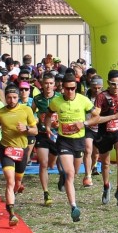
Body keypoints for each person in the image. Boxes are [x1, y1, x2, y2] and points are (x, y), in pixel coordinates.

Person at [46, 74, 95, 222]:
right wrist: (48, 127)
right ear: (63, 89)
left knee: (73, 174)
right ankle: (74, 207)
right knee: (70, 173)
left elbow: (96, 116)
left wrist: (85, 123)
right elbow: (48, 114)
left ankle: (64, 178)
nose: (70, 91)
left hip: (79, 141)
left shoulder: (83, 100)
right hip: (64, 141)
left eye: (73, 88)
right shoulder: (57, 101)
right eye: (67, 89)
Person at [0, 85, 39, 226]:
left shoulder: (26, 110)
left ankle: (17, 188)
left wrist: (26, 129)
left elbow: (35, 131)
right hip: (6, 150)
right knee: (10, 181)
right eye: (9, 98)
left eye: (14, 97)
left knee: (17, 182)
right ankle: (11, 214)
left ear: (18, 97)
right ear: (5, 98)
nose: (11, 100)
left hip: (22, 150)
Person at [93, 69, 118, 208]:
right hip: (104, 132)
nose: (117, 87)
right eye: (114, 84)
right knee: (106, 162)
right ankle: (106, 186)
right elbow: (96, 117)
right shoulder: (101, 97)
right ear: (108, 83)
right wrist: (112, 117)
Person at [31, 72, 60, 206]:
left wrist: (58, 123)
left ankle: (62, 176)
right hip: (42, 134)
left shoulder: (60, 98)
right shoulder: (37, 99)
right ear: (42, 85)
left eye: (50, 83)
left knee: (52, 163)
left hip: (56, 134)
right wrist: (35, 121)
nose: (48, 86)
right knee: (43, 164)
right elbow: (31, 114)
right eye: (46, 83)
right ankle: (46, 193)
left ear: (54, 85)